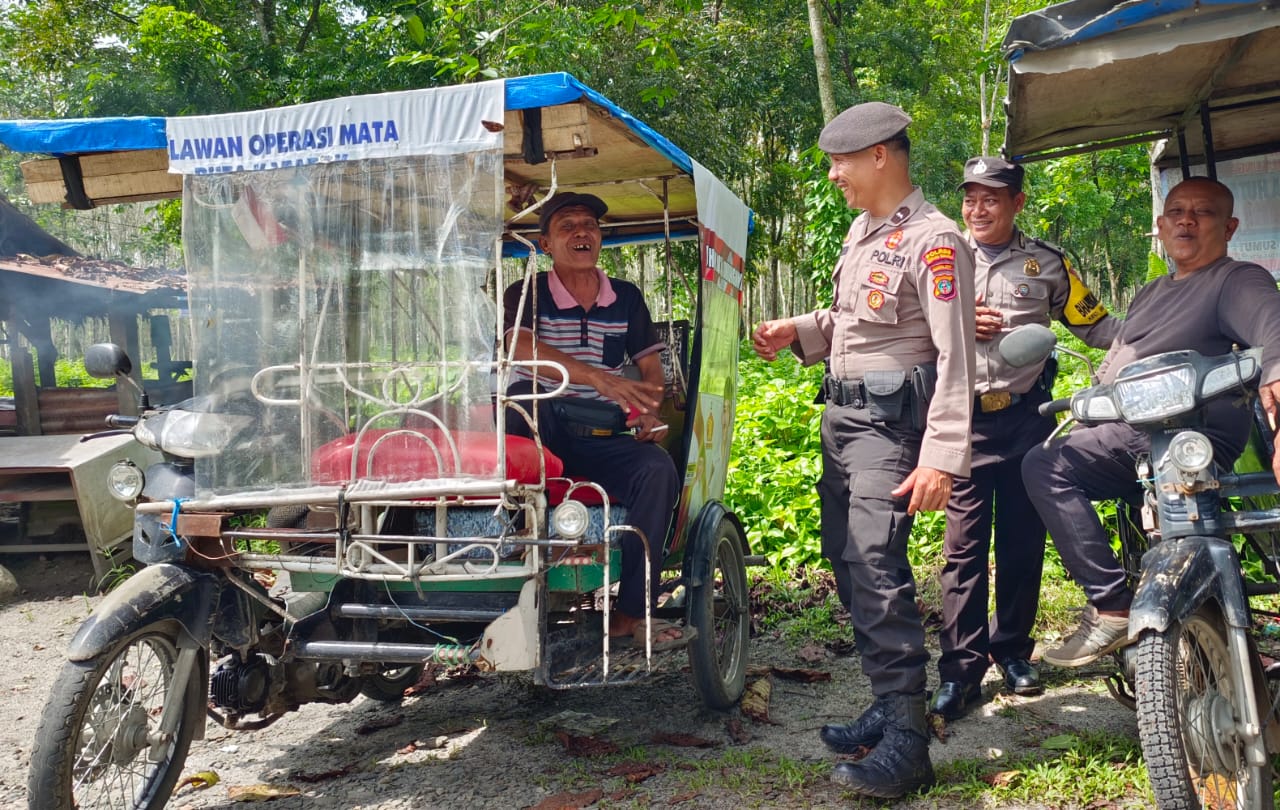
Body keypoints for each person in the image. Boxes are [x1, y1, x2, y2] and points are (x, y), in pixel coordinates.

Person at [752, 102, 976, 798]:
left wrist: (941, 454)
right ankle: (888, 700)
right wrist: (801, 328)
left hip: (890, 427)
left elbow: (956, 355)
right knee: (845, 557)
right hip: (841, 418)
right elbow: (856, 320)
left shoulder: (936, 242)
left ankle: (908, 738)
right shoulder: (864, 231)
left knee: (876, 564)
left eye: (841, 160)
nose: (833, 174)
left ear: (880, 154)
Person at [1022, 177, 1280, 668]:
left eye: (1202, 213)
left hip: (1187, 435)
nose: (1187, 220)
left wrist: (1276, 376)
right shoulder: (1151, 292)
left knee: (1045, 465)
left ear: (1229, 226)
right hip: (1135, 430)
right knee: (1047, 459)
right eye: (1176, 211)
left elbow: (1272, 322)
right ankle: (1150, 616)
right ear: (1159, 227)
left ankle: (1111, 604)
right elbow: (1119, 349)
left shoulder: (1235, 279)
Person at [931, 157, 1121, 720]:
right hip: (961, 424)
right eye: (970, 198)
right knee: (962, 550)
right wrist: (961, 321)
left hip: (1026, 420)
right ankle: (961, 671)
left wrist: (1149, 342)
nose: (978, 209)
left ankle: (1012, 651)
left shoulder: (1047, 264)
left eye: (992, 198)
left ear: (1016, 202)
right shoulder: (941, 258)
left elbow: (1096, 324)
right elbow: (911, 324)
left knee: (1021, 543)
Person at [502, 192, 692, 651]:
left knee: (657, 469)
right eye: (567, 226)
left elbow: (651, 375)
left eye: (589, 225)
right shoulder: (525, 292)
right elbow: (519, 348)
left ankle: (630, 613)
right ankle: (505, 569)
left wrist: (648, 413)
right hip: (537, 426)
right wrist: (595, 377)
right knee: (525, 400)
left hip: (600, 434)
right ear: (546, 243)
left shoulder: (625, 297)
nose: (581, 232)